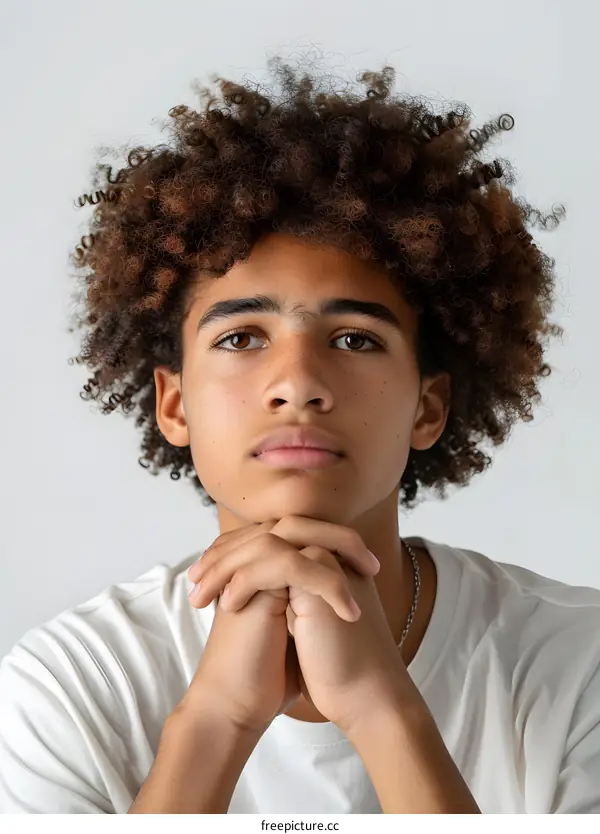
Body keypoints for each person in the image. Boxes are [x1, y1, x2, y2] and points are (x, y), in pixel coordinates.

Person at [1, 55, 598, 815]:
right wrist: (215, 720)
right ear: (174, 404)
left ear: (428, 407)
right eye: (242, 338)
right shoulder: (71, 684)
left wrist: (384, 710)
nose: (298, 383)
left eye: (354, 339)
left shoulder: (579, 665)